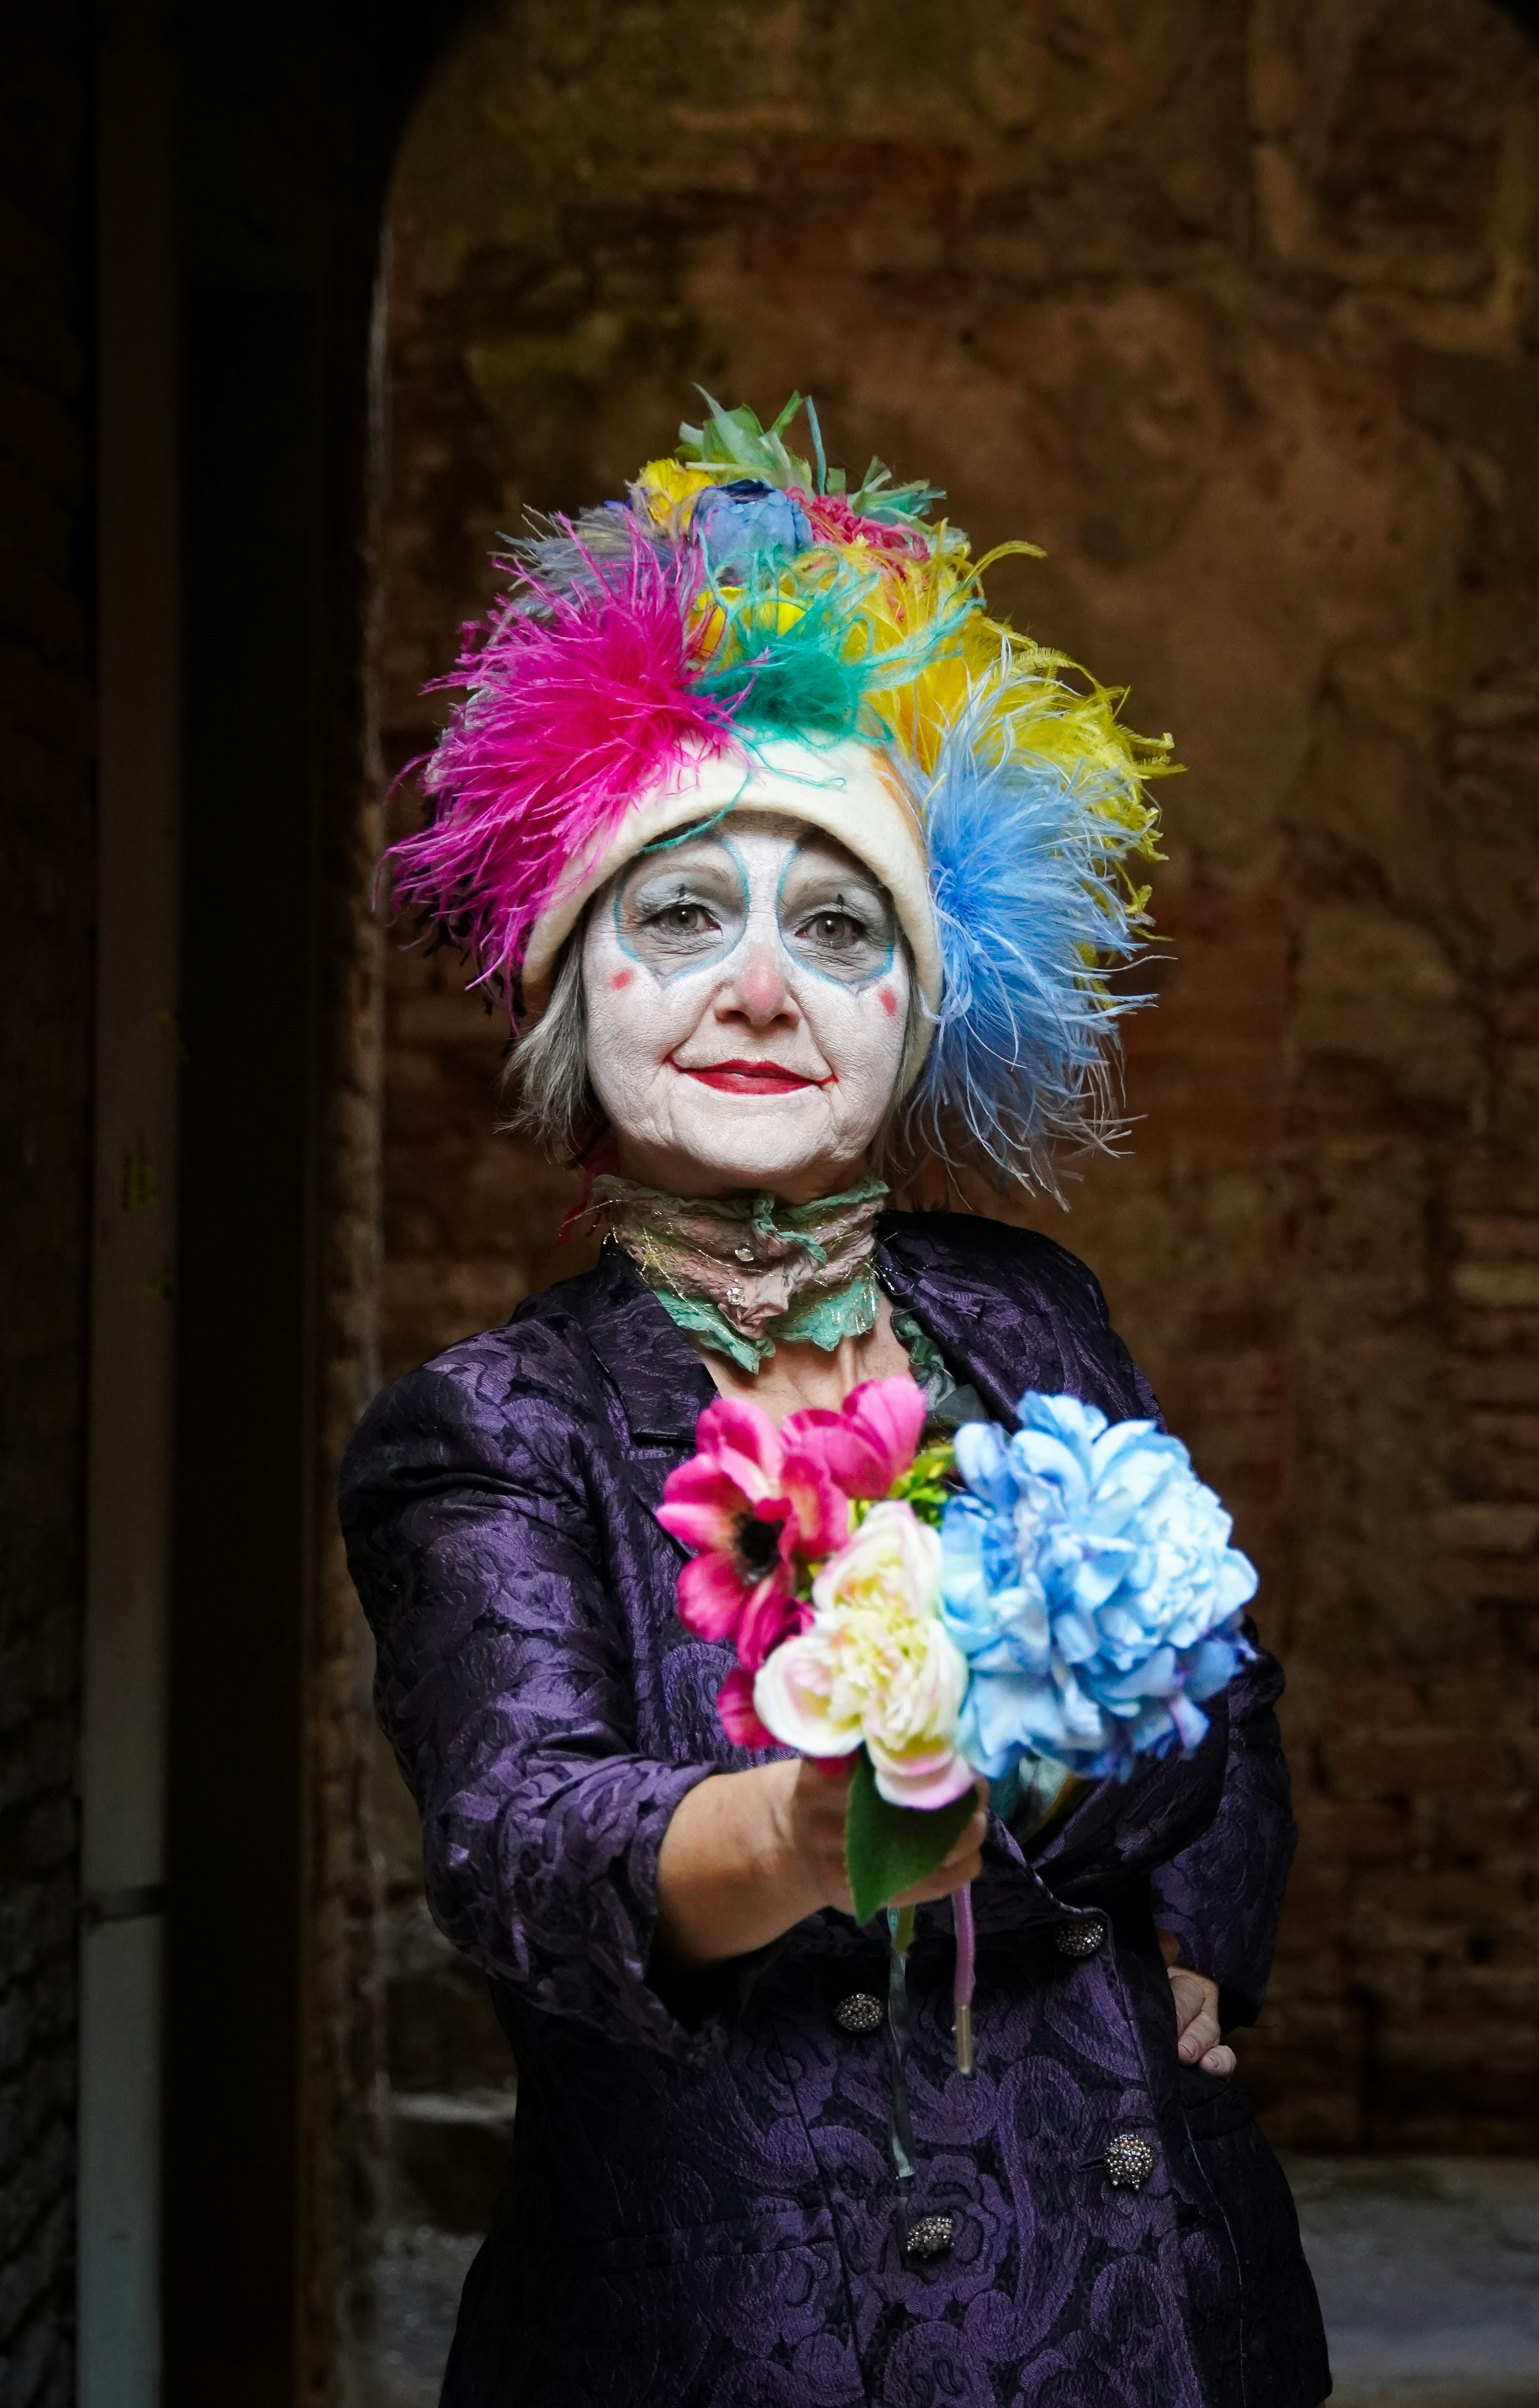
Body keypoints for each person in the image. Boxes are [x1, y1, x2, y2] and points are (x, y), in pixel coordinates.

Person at [341, 397, 1331, 2407]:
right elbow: (526, 1841)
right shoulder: (494, 1426)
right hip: (747, 2328)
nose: (764, 986)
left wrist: (1203, 1944)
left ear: (915, 1003)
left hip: (1150, 2299)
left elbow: (1223, 1676)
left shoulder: (1026, 1309)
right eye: (685, 914)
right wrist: (818, 1823)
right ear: (570, 988)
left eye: (838, 925)